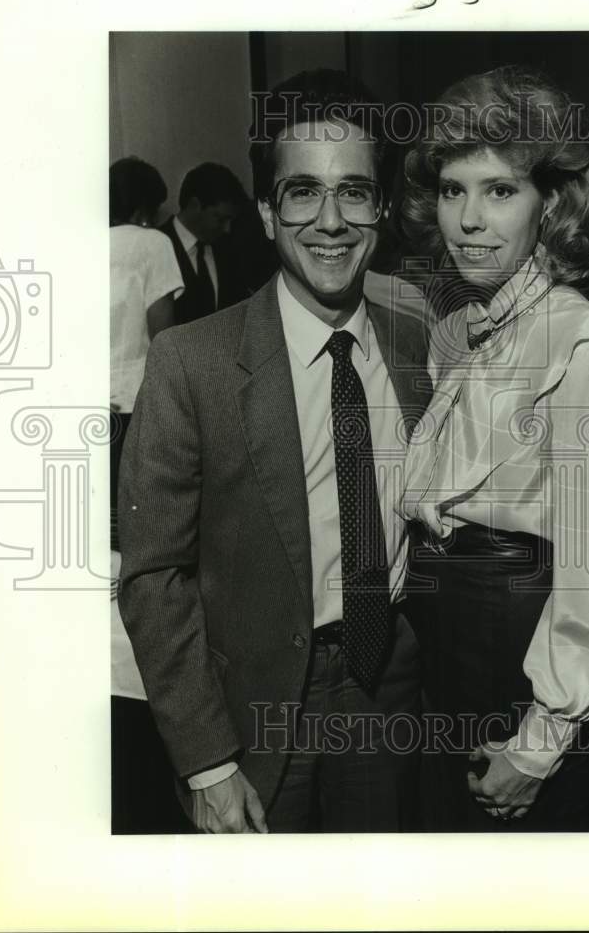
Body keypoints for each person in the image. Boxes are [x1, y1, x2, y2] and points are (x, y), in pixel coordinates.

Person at [118, 69, 432, 833]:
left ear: (380, 208)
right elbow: (154, 576)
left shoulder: (417, 336)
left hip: (386, 684)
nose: (331, 220)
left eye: (354, 191)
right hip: (248, 710)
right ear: (266, 211)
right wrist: (207, 760)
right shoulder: (192, 362)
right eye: (303, 193)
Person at [399, 66, 589, 831]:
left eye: (500, 191)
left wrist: (539, 745)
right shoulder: (456, 335)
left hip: (522, 670)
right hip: (445, 660)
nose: (468, 218)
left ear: (550, 205)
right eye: (452, 190)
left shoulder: (585, 344)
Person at [108, 156, 191, 833]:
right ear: (151, 204)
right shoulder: (151, 244)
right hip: (135, 413)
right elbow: (166, 335)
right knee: (147, 552)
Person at [159, 162, 271, 321]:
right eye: (220, 218)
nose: (226, 228)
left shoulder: (228, 249)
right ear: (194, 205)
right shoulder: (157, 246)